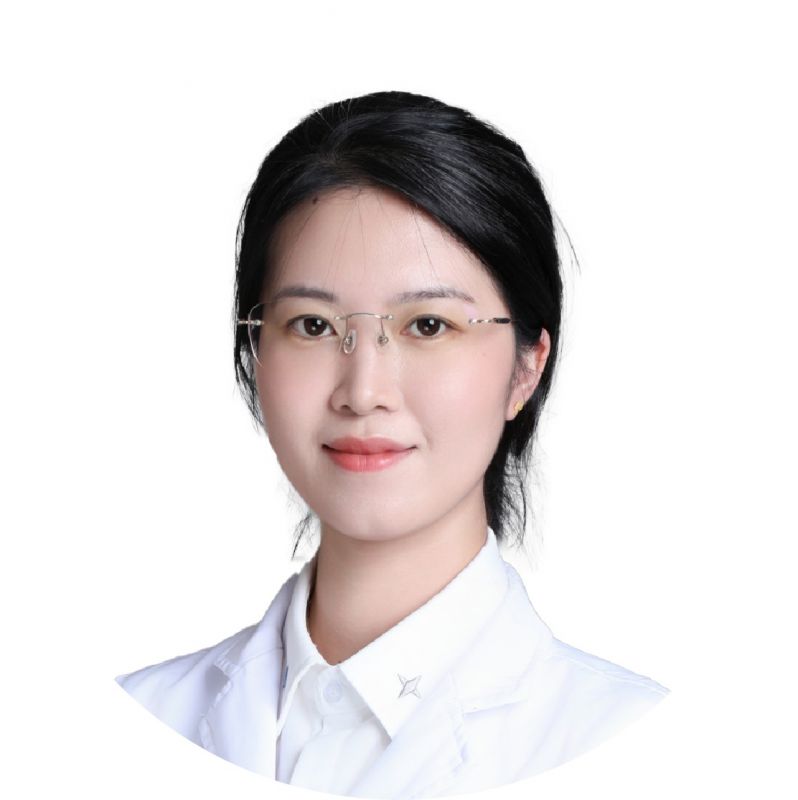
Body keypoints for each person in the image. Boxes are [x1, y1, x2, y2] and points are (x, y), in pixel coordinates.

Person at [115, 90, 670, 798]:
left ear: (526, 367)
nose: (363, 390)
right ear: (255, 351)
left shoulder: (636, 745)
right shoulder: (133, 722)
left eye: (429, 326)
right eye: (313, 325)